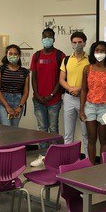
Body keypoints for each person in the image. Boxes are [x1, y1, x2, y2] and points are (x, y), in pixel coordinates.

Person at [30, 28, 65, 167]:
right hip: (38, 100)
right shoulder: (37, 55)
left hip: (54, 100)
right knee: (41, 129)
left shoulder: (60, 55)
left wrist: (51, 95)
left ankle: (54, 156)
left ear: (54, 39)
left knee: (53, 128)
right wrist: (37, 94)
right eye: (45, 37)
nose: (47, 39)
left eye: (50, 37)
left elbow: (61, 78)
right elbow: (33, 77)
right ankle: (42, 155)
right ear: (42, 38)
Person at [80, 41, 106, 164]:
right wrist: (81, 110)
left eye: (102, 51)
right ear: (93, 52)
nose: (100, 53)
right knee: (91, 139)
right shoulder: (87, 69)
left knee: (103, 139)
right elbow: (84, 90)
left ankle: (103, 167)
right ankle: (91, 166)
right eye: (97, 50)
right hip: (89, 107)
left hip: (105, 108)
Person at [60, 32, 90, 155]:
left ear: (84, 43)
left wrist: (79, 89)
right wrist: (71, 89)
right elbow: (61, 79)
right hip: (69, 98)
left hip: (85, 100)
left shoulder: (90, 60)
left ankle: (88, 160)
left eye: (79, 42)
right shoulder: (66, 59)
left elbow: (92, 80)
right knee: (68, 134)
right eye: (74, 42)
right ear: (71, 44)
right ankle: (69, 160)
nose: (77, 44)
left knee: (86, 133)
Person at [0, 44, 30, 127]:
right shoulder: (0, 69)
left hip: (18, 102)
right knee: (6, 127)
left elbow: (26, 91)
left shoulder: (25, 72)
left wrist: (20, 106)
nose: (13, 56)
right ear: (6, 55)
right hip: (3, 102)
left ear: (19, 55)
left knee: (14, 130)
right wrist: (7, 106)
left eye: (15, 54)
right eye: (10, 54)